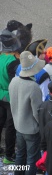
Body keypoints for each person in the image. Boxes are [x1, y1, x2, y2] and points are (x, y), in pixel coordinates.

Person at [9, 51, 44, 173]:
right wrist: (41, 126)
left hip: (18, 126)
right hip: (31, 130)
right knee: (31, 159)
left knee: (20, 155)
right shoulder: (33, 87)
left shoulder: (13, 81)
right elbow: (37, 112)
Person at [0, 30, 19, 163]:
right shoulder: (13, 61)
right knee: (11, 126)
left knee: (0, 123)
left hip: (0, 94)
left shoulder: (0, 57)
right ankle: (9, 155)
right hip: (10, 96)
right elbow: (15, 83)